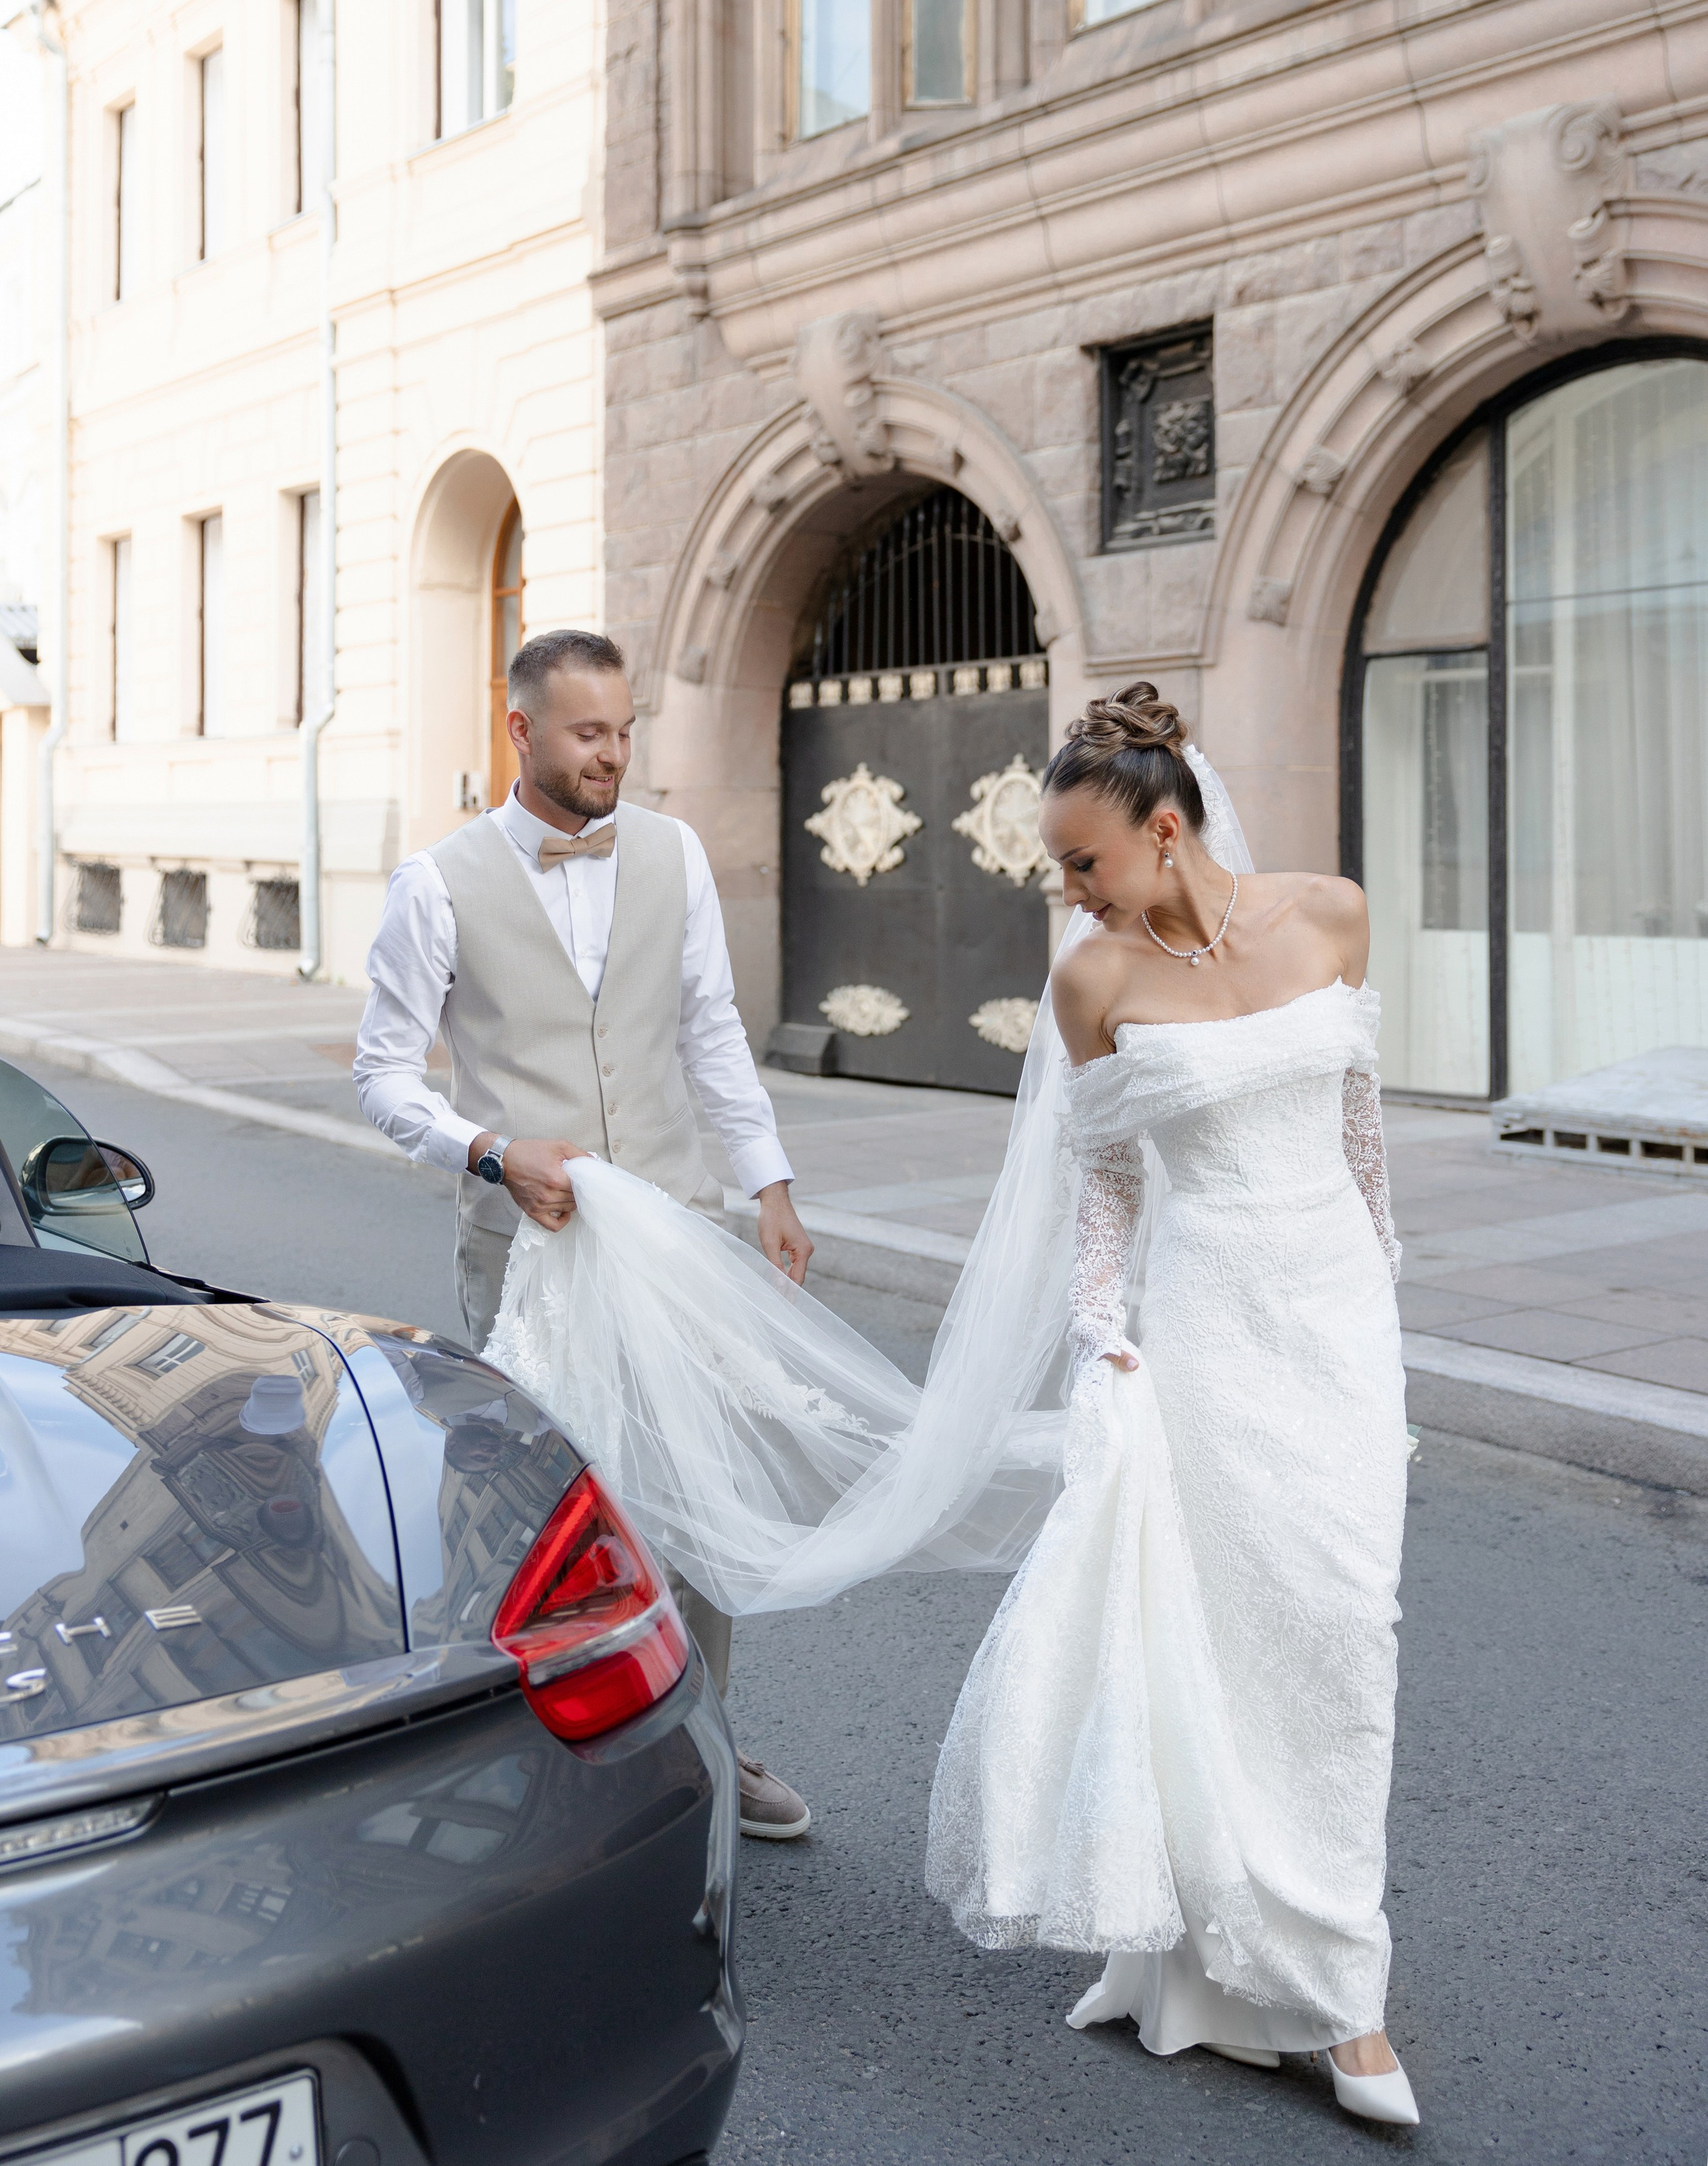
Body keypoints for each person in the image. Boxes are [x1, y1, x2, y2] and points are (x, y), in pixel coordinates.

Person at [924, 686, 1420, 2126]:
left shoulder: (1327, 914)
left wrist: (1382, 1297)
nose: (1067, 894)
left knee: (1340, 1634)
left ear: (1161, 827)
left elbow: (1358, 1129)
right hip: (1201, 1328)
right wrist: (1099, 1334)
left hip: (1330, 1321)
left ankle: (1306, 1954)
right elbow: (1108, 1182)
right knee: (1223, 1633)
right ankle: (1331, 1996)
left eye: (1082, 863)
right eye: (1057, 870)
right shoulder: (1093, 984)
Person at [353, 624, 815, 1842]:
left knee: (694, 1498)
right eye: (588, 733)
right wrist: (495, 1154)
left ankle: (704, 1737)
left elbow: (712, 1030)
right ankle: (540, 1754)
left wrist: (766, 1183)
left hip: (677, 1230)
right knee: (543, 1509)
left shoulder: (671, 852)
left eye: (624, 731)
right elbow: (384, 1076)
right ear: (521, 731)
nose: (614, 755)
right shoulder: (438, 882)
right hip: (526, 1253)